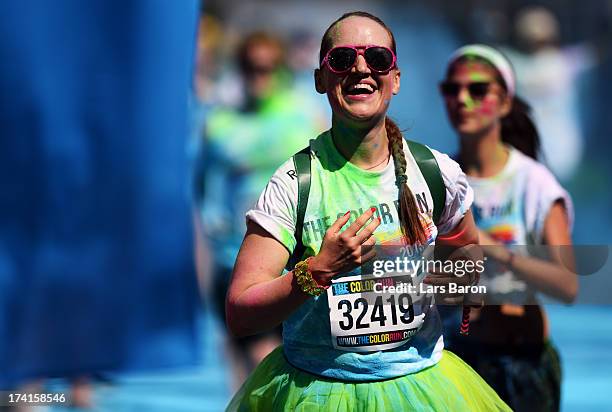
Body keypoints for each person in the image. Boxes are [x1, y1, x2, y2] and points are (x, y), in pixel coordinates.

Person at [224, 12, 510, 411]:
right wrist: (318, 271)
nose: (361, 68)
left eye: (376, 57)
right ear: (320, 79)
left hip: (423, 390)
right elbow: (240, 312)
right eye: (342, 59)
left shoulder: (437, 174)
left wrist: (439, 281)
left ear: (394, 77)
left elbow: (466, 271)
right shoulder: (294, 184)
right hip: (315, 391)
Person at [438, 44, 577, 411]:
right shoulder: (438, 180)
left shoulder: (534, 184)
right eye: (451, 90)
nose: (462, 100)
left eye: (478, 90)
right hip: (459, 359)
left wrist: (495, 251)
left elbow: (567, 285)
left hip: (523, 365)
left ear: (504, 103)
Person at [195, 31, 327, 389]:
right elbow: (201, 183)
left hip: (295, 259)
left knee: (274, 362)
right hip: (234, 258)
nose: (259, 77)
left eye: (267, 68)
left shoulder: (306, 117)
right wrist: (212, 224)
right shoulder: (221, 124)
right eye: (251, 68)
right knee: (249, 363)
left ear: (281, 69)